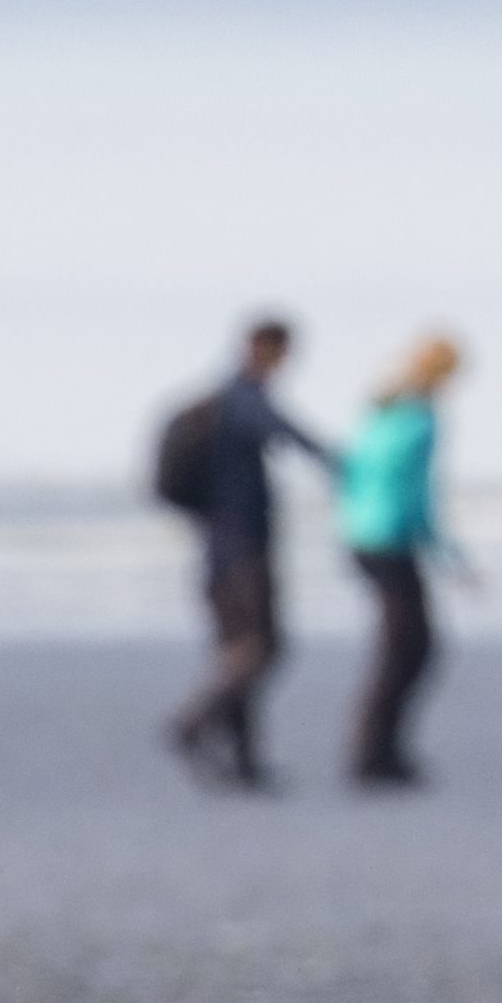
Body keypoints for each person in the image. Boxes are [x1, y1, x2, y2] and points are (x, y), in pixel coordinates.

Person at [161, 314, 326, 790]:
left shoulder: (214, 402)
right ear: (270, 350)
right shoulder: (243, 399)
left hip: (214, 544)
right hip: (243, 547)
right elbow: (288, 433)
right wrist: (341, 463)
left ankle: (245, 760)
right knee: (262, 648)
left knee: (236, 650)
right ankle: (193, 724)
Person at [332, 331, 466, 787]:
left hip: (360, 535)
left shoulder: (380, 409)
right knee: (410, 649)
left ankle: (381, 749)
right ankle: (373, 750)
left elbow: (349, 471)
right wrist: (445, 552)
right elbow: (417, 492)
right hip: (393, 539)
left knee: (402, 646)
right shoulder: (422, 419)